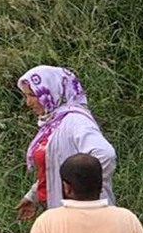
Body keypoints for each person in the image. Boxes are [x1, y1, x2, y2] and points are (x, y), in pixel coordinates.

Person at [15, 66, 116, 220]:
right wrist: (33, 196)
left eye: (33, 95)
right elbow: (53, 166)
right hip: (62, 214)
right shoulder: (53, 123)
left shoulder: (76, 121)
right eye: (26, 96)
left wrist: (80, 191)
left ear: (51, 91)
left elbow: (105, 155)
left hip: (85, 216)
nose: (28, 103)